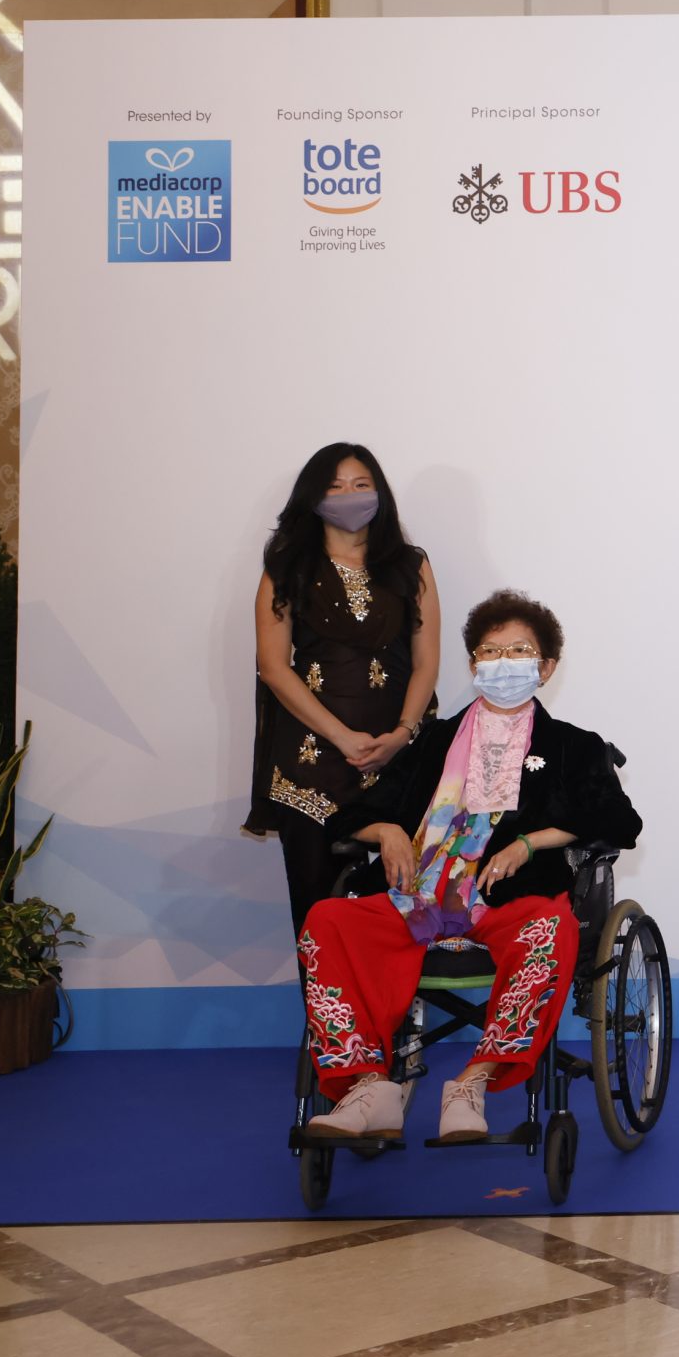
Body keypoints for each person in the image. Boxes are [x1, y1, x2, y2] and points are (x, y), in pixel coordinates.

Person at [300, 590, 641, 1143]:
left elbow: (619, 820)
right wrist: (387, 830)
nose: (503, 665)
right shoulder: (433, 740)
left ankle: (471, 1084)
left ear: (546, 666)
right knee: (327, 920)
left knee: (548, 931)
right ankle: (368, 1086)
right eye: (490, 651)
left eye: (519, 652)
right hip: (416, 895)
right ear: (472, 664)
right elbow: (349, 816)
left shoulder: (574, 746)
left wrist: (530, 843)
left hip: (508, 900)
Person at [246, 443, 440, 930]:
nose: (349, 496)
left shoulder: (410, 566)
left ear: (380, 494)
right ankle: (327, 1009)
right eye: (334, 487)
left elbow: (426, 662)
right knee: (319, 915)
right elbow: (273, 666)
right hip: (311, 762)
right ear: (312, 498)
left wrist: (401, 734)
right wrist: (343, 738)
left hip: (399, 757)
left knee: (404, 914)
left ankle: (392, 1008)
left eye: (361, 485)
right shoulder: (286, 567)